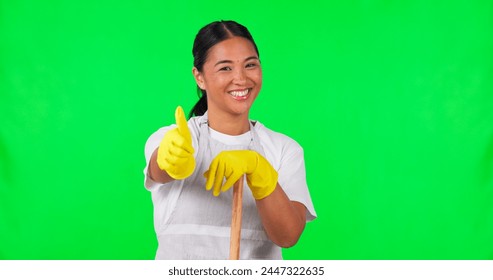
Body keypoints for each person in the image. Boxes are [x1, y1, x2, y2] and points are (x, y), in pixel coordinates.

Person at [143, 20, 316, 259]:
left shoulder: (284, 150)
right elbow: (157, 169)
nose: (241, 78)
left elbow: (288, 236)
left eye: (250, 65)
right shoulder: (176, 139)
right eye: (225, 68)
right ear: (199, 77)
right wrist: (169, 160)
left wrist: (260, 173)